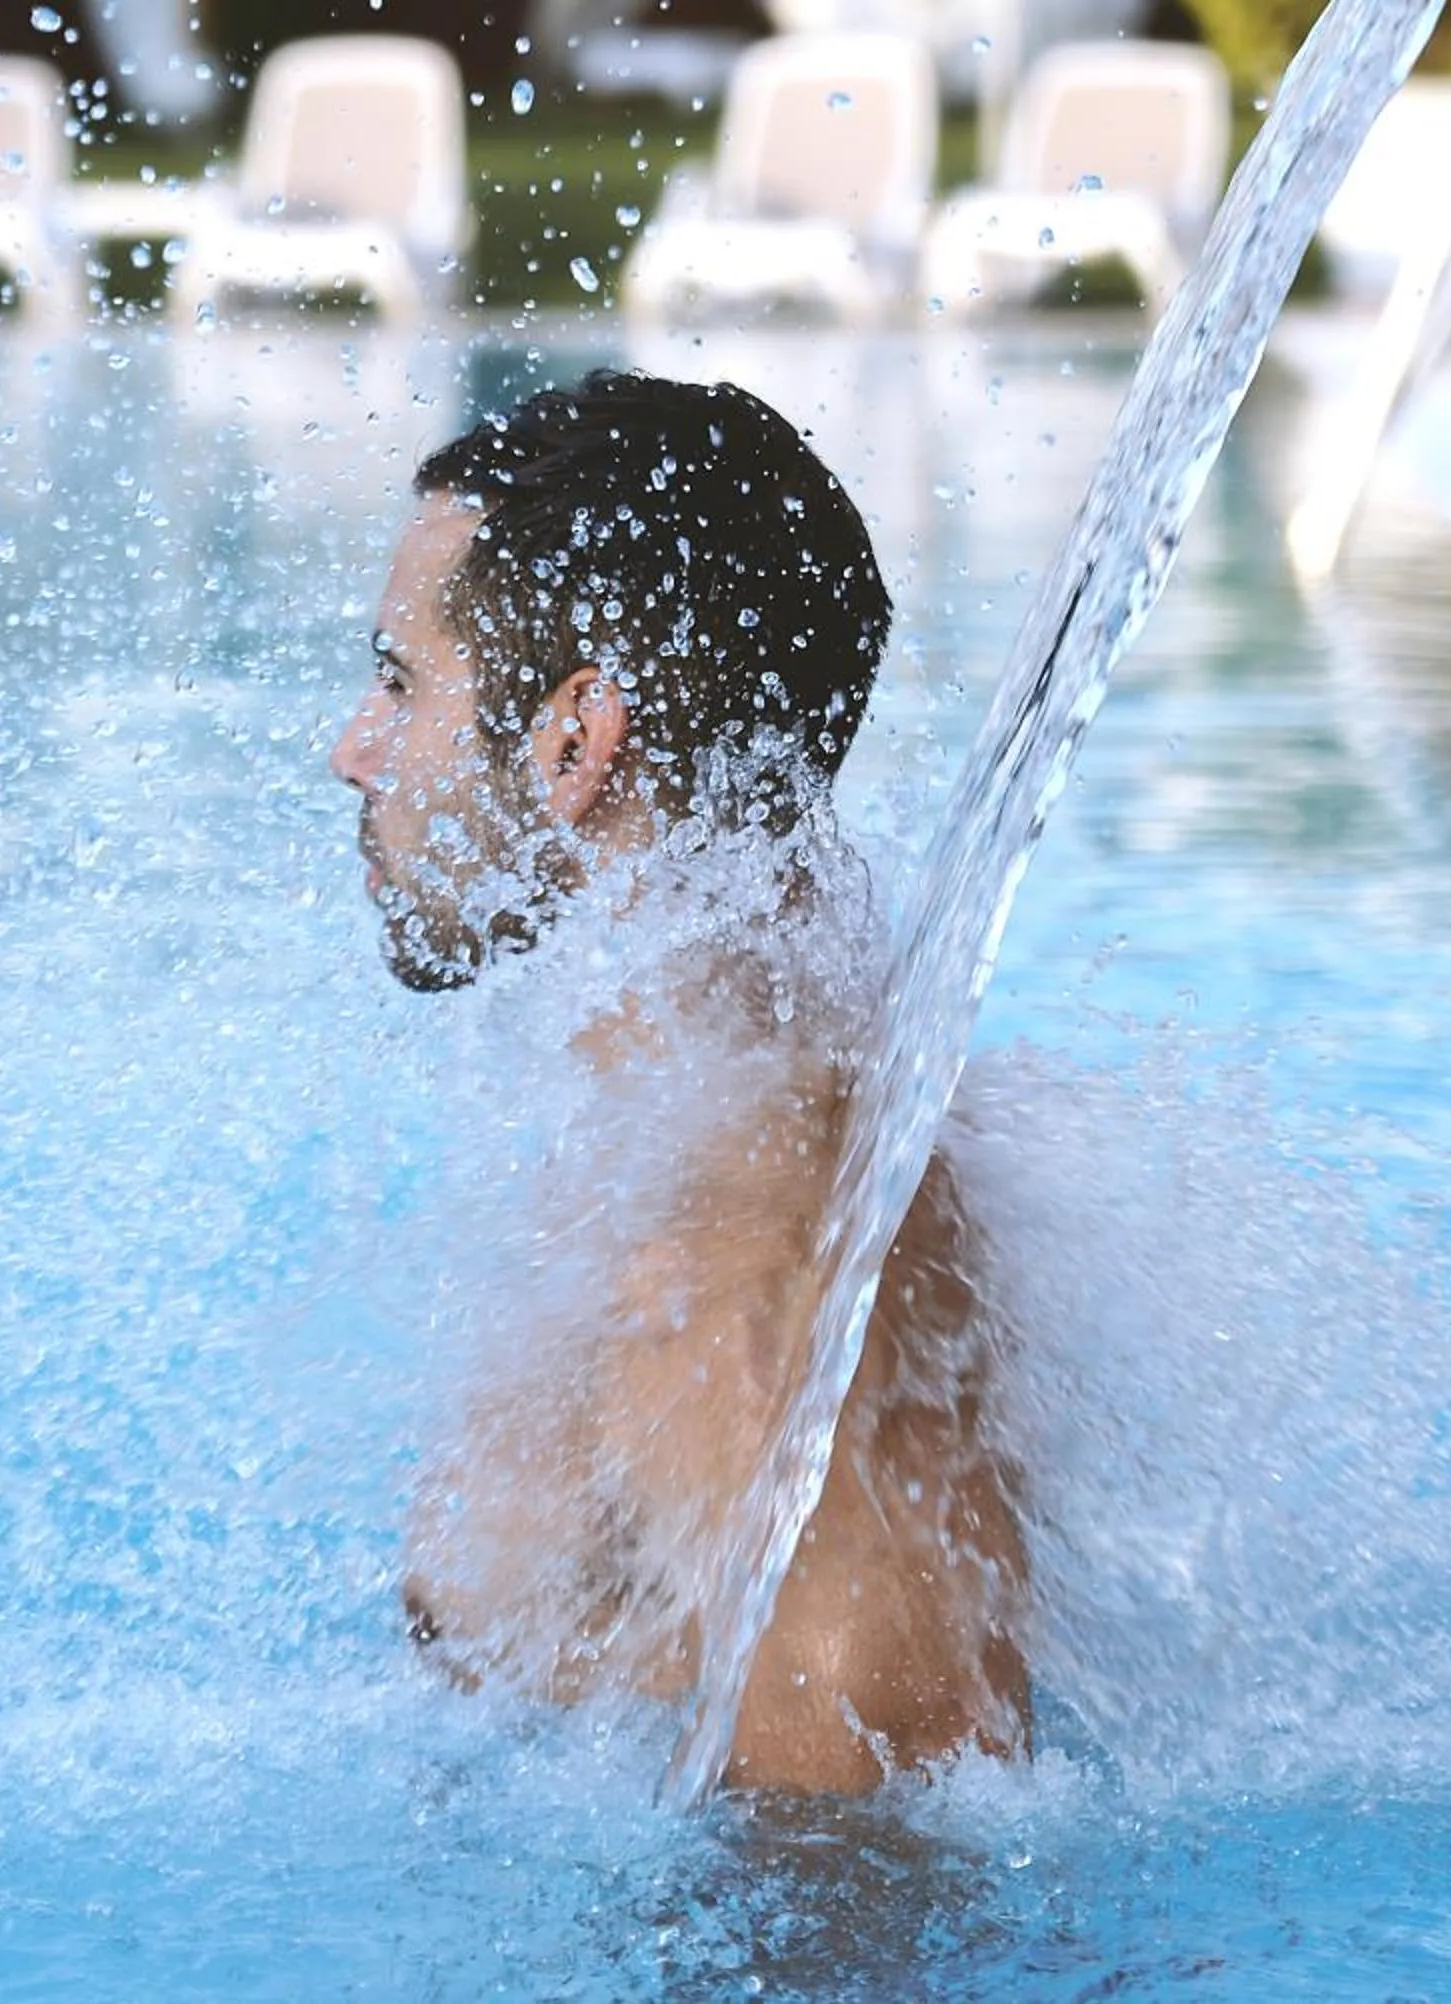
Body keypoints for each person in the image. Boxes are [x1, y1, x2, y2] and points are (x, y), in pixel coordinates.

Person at [328, 370, 1030, 1794]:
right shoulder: (691, 1116)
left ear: (575, 742)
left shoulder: (750, 1257)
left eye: (402, 683)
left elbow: (886, 1816)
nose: (351, 751)